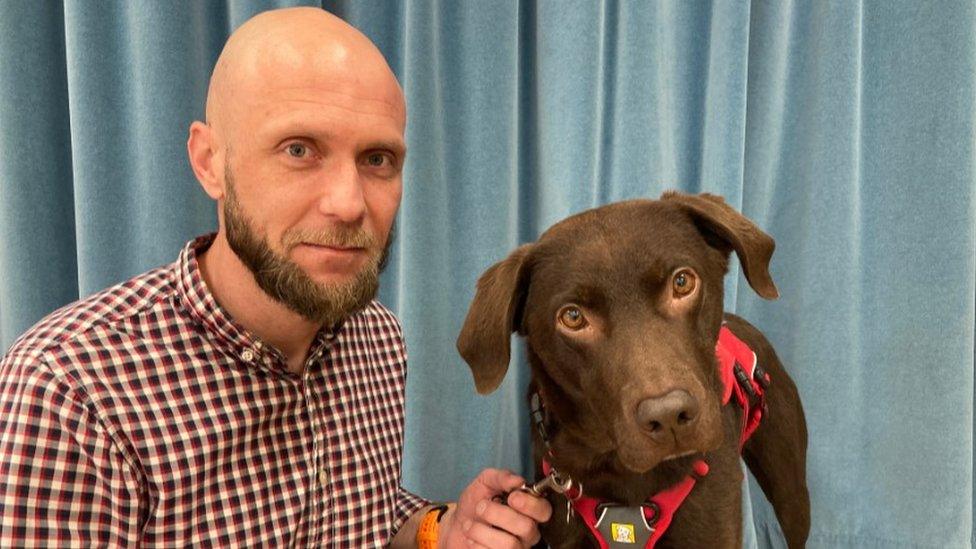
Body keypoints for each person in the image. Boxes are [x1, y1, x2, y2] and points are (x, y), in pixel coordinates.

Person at [0, 7, 550, 548]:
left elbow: (363, 517)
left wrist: (439, 530)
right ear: (209, 161)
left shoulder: (377, 340)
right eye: (299, 149)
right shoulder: (69, 393)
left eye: (377, 159)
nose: (348, 203)